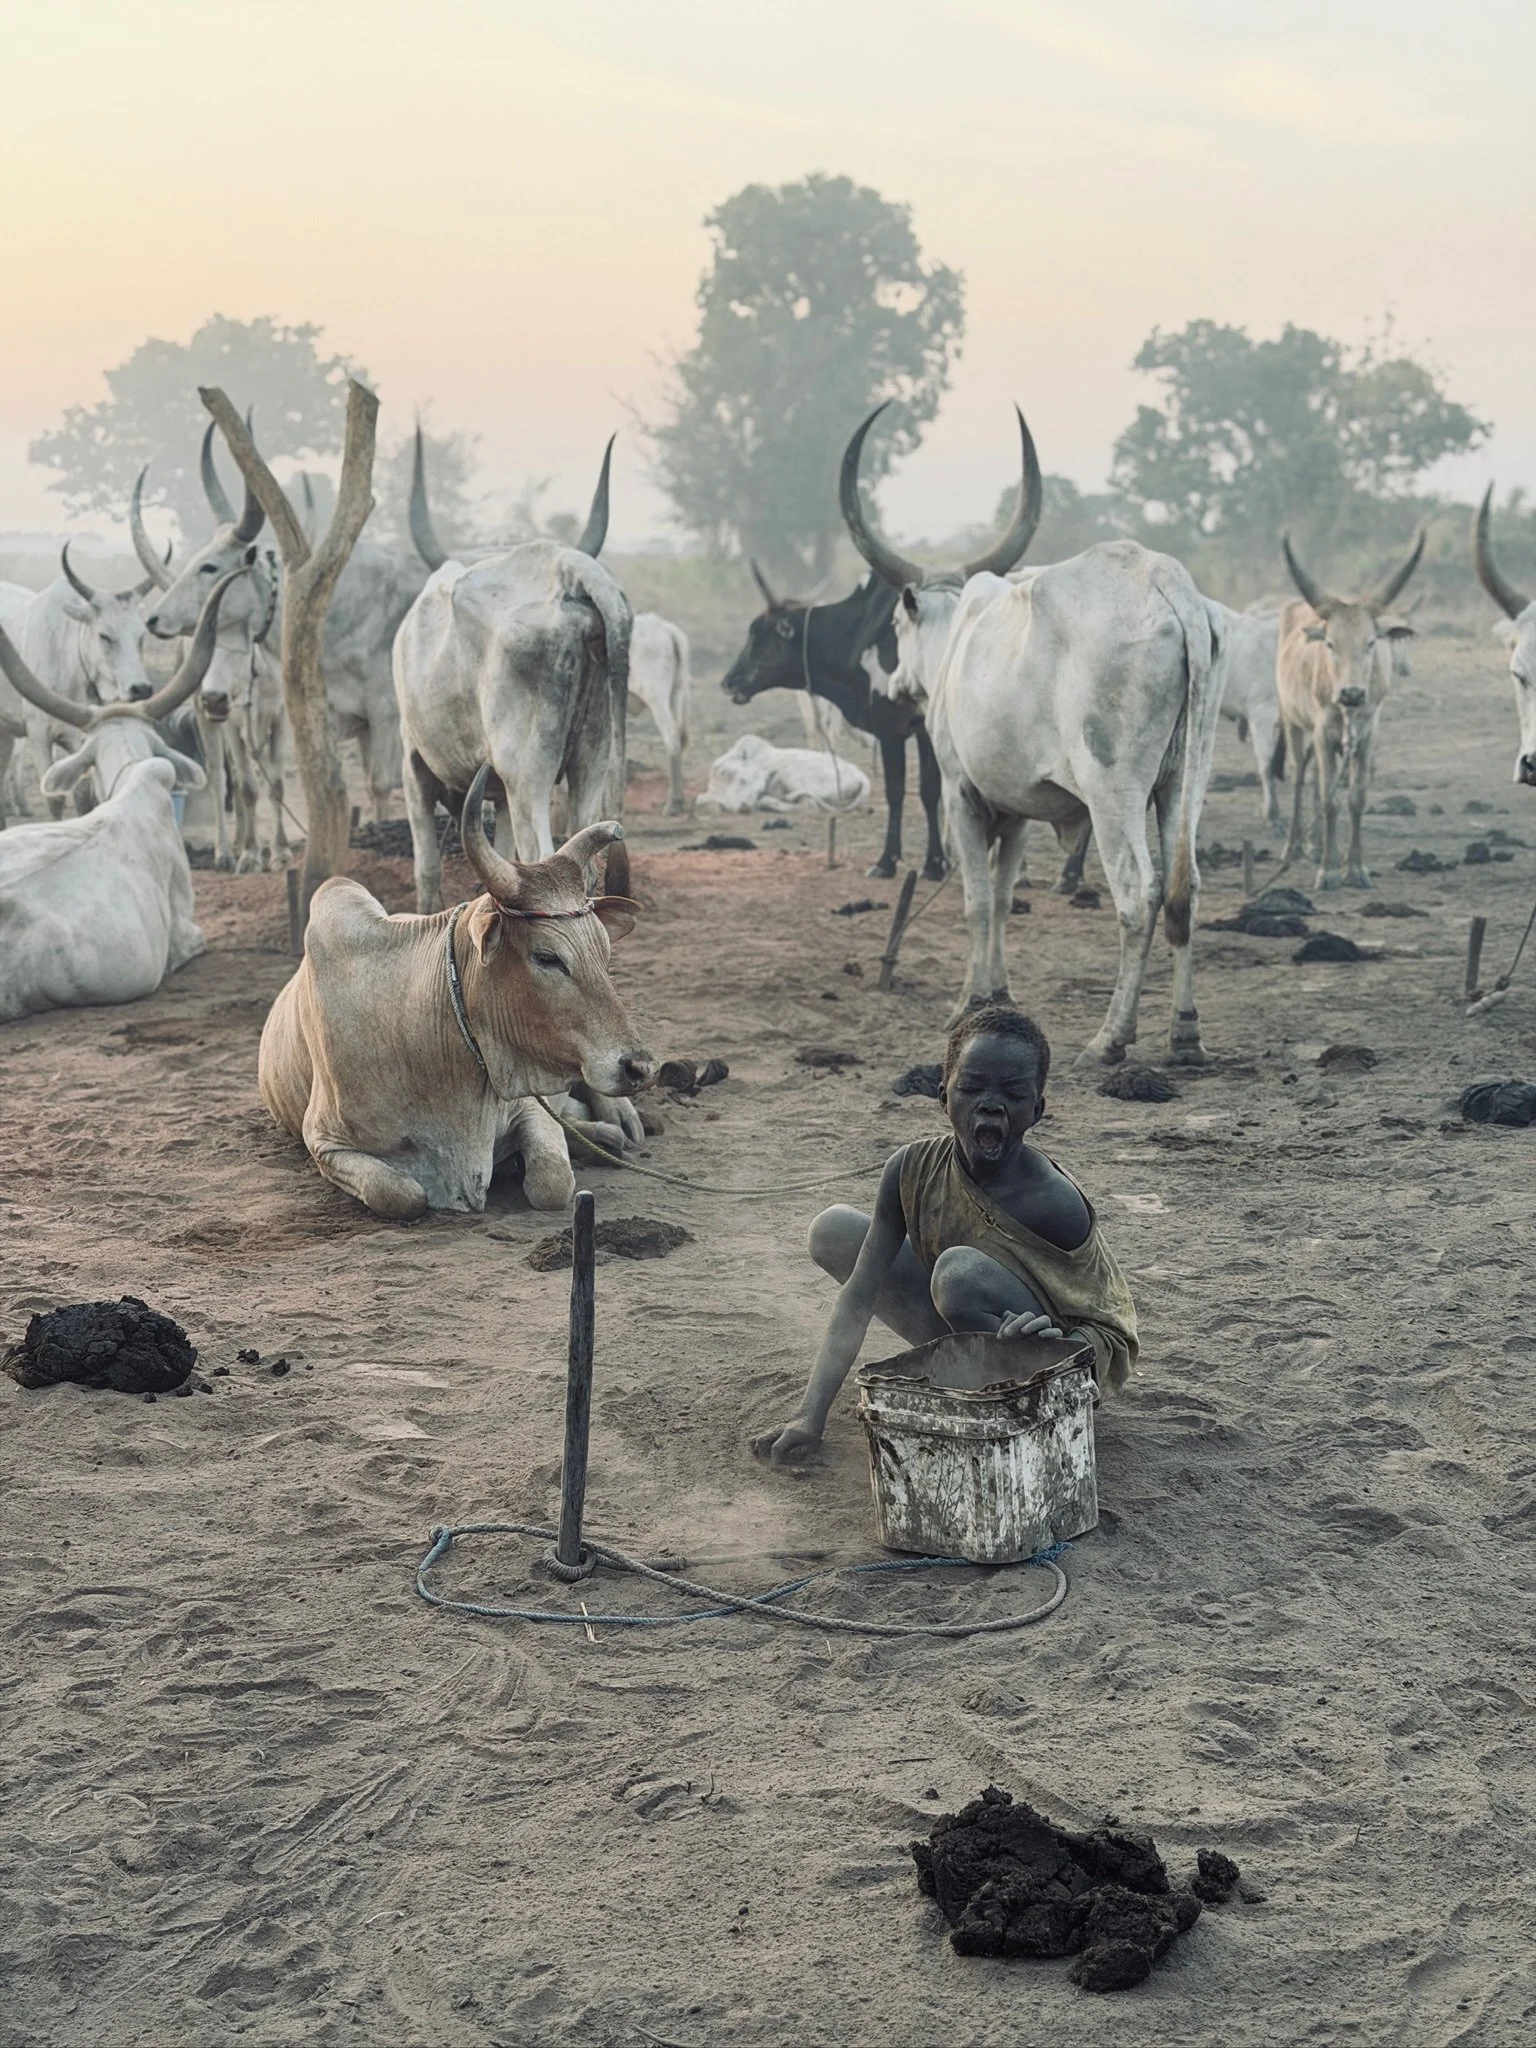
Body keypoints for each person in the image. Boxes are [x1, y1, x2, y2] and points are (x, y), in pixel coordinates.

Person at [754, 1004, 1138, 1466]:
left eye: (1013, 1093)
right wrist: (809, 1417)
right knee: (833, 1230)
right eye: (972, 1088)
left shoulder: (1050, 1199)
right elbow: (859, 1295)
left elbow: (1097, 1322)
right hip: (980, 1321)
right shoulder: (910, 1168)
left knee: (957, 1274)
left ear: (1036, 1110)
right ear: (944, 1096)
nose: (991, 1104)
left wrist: (1035, 1343)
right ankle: (971, 1369)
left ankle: (1007, 1404)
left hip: (1067, 1350)